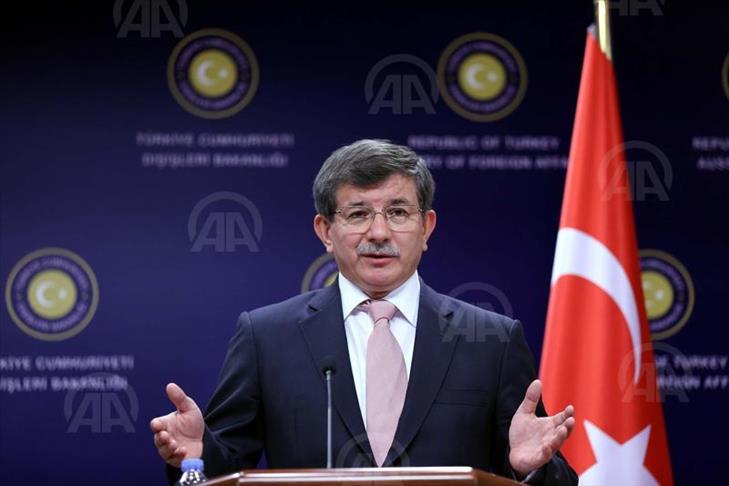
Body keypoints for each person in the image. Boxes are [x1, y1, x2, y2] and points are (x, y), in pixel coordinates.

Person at [150, 139, 578, 485]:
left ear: (426, 227)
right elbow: (223, 469)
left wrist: (532, 469)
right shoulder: (266, 337)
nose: (379, 232)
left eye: (398, 212)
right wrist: (197, 454)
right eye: (358, 214)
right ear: (325, 231)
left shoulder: (492, 341)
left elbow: (549, 473)